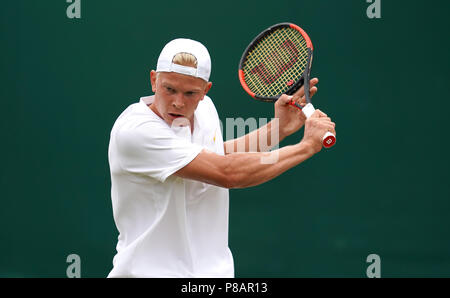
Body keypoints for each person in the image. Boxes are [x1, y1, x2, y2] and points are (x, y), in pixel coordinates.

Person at [107, 38, 336, 278]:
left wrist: (277, 130)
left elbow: (213, 155)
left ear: (206, 91)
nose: (177, 101)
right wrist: (307, 146)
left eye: (190, 93)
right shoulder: (136, 131)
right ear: (154, 80)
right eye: (169, 89)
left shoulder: (205, 111)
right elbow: (227, 172)